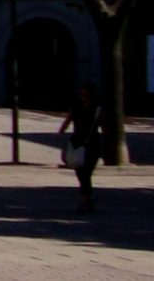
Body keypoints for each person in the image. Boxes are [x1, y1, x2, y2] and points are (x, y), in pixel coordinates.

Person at [58, 82, 102, 214]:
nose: (84, 97)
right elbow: (68, 119)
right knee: (81, 173)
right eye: (82, 94)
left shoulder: (98, 108)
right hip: (77, 142)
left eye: (86, 95)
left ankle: (86, 200)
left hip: (92, 144)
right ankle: (87, 200)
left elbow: (104, 125)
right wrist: (61, 131)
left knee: (86, 173)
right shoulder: (76, 105)